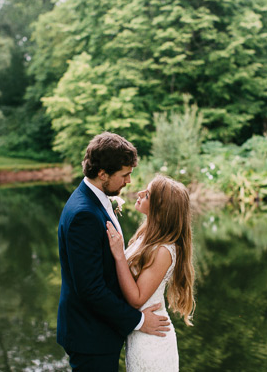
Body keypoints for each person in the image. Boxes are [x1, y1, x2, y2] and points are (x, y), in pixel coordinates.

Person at [57, 132, 171, 372]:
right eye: (125, 174)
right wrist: (139, 321)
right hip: (90, 335)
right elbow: (90, 288)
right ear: (102, 174)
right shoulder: (83, 215)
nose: (129, 181)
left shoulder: (95, 199)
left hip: (101, 331)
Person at [106, 174, 196, 371]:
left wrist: (119, 255)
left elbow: (137, 298)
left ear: (160, 208)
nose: (139, 193)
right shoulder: (146, 235)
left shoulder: (164, 250)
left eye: (147, 195)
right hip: (141, 331)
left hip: (153, 340)